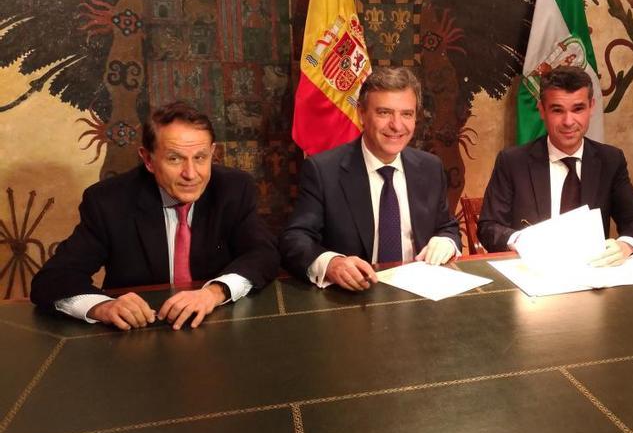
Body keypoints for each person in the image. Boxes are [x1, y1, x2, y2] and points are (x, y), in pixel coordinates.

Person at [30, 102, 279, 330]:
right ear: (148, 159)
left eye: (200, 158)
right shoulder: (109, 201)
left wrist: (213, 292)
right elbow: (52, 280)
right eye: (174, 159)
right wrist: (103, 307)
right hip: (140, 335)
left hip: (217, 328)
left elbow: (263, 254)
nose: (191, 174)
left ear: (212, 153)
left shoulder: (233, 189)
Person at [279, 66, 461, 291]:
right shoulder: (324, 170)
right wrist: (332, 264)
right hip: (354, 299)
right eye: (384, 113)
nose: (397, 125)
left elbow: (447, 226)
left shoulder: (429, 167)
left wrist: (447, 241)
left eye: (407, 114)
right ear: (362, 113)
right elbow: (295, 239)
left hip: (421, 294)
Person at [478, 66, 633, 265]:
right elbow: (489, 227)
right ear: (542, 110)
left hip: (594, 275)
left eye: (578, 109)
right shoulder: (512, 161)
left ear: (591, 107)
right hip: (533, 276)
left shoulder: (610, 160)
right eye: (557, 110)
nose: (568, 121)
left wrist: (625, 246)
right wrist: (521, 241)